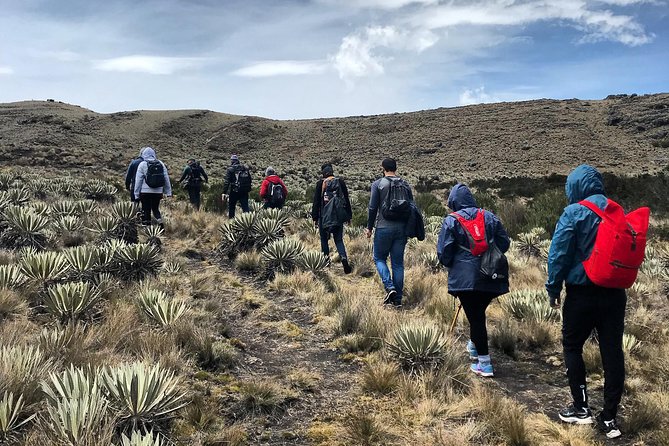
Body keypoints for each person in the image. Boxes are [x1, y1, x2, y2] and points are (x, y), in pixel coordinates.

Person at [547, 164, 625, 438]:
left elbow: (559, 254)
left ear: (575, 186)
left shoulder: (574, 212)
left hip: (582, 293)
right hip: (615, 293)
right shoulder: (617, 211)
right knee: (612, 351)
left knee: (572, 345)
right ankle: (610, 416)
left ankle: (580, 408)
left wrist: (553, 288)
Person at [436, 183, 510, 377]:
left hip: (464, 279)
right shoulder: (489, 216)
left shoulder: (451, 221)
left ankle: (484, 363)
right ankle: (475, 346)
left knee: (476, 317)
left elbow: (444, 253)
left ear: (453, 201)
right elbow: (504, 243)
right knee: (477, 313)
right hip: (491, 276)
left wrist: (455, 264)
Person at [365, 158, 413, 307]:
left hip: (383, 227)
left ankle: (389, 287)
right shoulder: (405, 184)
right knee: (398, 264)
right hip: (401, 229)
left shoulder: (378, 184)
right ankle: (398, 299)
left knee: (379, 258)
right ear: (395, 168)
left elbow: (373, 208)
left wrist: (369, 227)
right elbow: (412, 206)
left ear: (383, 168)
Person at [311, 163, 352, 274]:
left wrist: (315, 217)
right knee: (338, 240)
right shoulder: (340, 182)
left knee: (324, 240)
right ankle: (343, 258)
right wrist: (348, 216)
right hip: (338, 216)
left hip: (323, 216)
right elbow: (346, 199)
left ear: (323, 173)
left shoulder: (321, 183)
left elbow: (316, 201)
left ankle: (326, 263)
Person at [133, 147, 172, 228]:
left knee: (146, 209)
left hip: (145, 192)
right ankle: (160, 221)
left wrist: (136, 194)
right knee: (155, 209)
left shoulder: (142, 164)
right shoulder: (160, 163)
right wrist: (168, 192)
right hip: (158, 192)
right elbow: (166, 178)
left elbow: (138, 181)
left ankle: (147, 227)